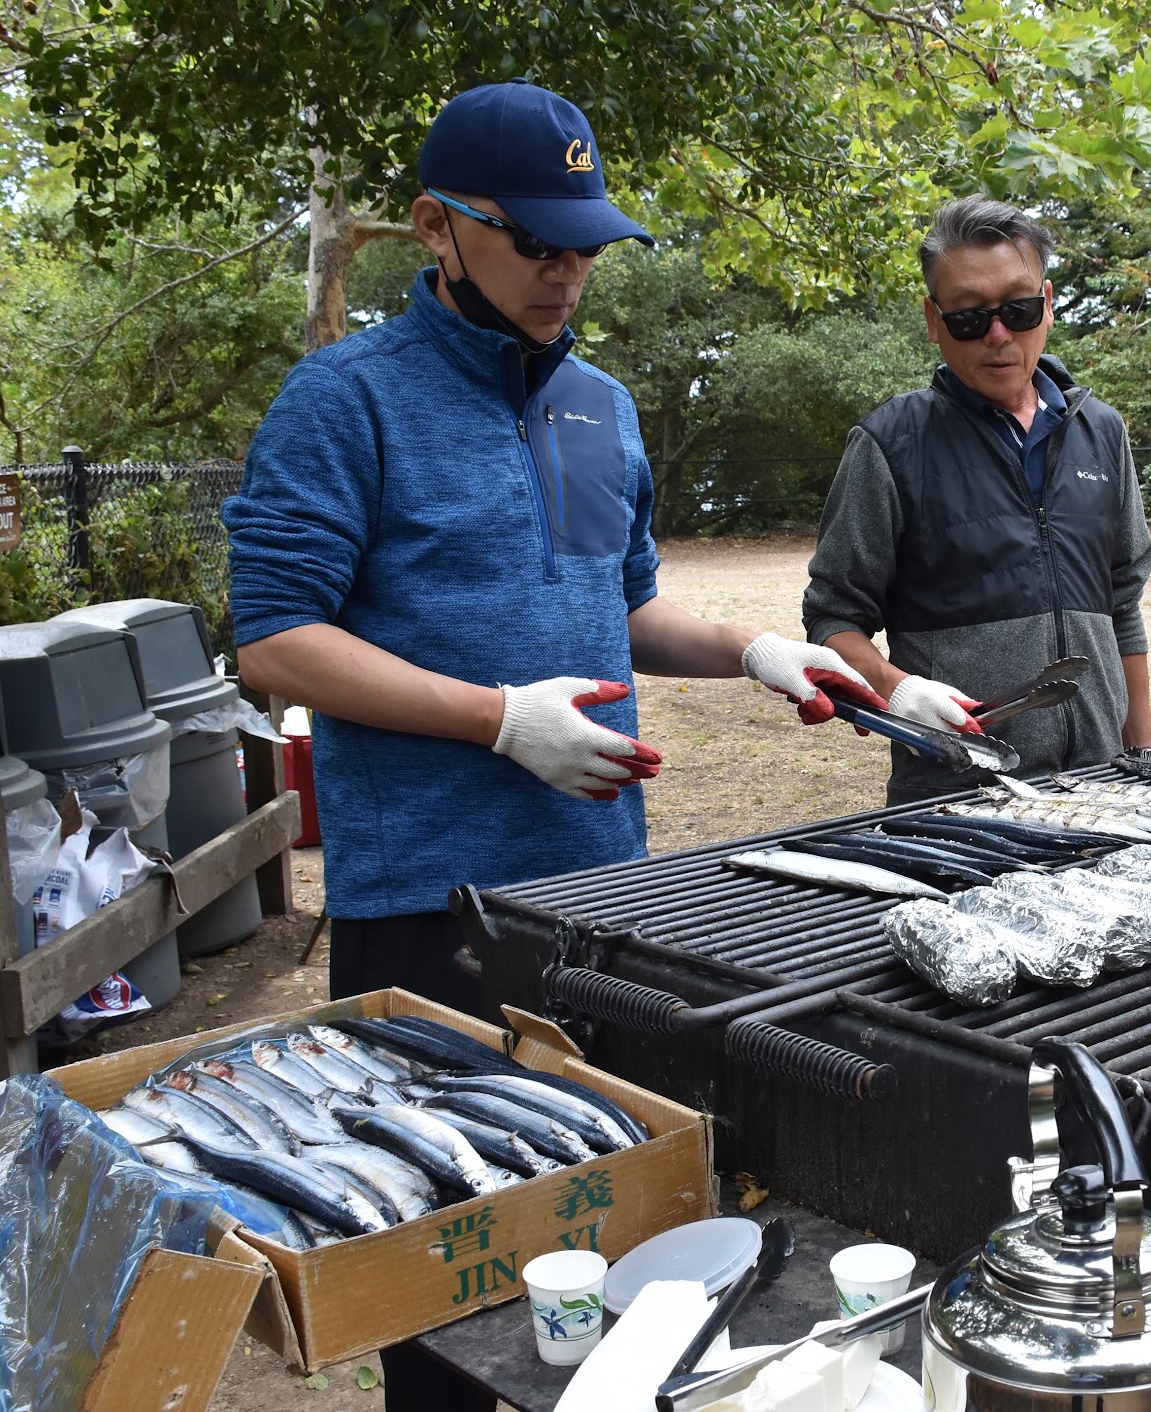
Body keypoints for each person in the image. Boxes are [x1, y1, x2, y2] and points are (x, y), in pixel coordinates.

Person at [224, 80, 867, 1411]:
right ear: (435, 229)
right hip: (427, 909)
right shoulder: (345, 401)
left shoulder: (601, 406)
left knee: (603, 1262)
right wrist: (496, 717)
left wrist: (750, 650)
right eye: (534, 243)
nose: (565, 271)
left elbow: (619, 607)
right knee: (450, 1277)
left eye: (584, 245)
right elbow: (276, 641)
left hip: (597, 896)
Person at [802, 197, 1151, 804]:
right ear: (934, 320)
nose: (997, 335)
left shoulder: (1102, 431)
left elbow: (1121, 604)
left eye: (1017, 309)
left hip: (1101, 784)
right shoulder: (890, 444)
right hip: (956, 793)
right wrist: (900, 688)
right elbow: (833, 617)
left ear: (1046, 305)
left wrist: (1144, 752)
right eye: (969, 317)